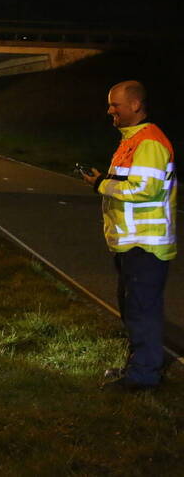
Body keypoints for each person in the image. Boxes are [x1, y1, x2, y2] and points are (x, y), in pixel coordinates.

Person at [82, 80, 176, 391]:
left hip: (145, 245)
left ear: (135, 105)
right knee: (133, 308)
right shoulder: (131, 140)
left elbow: (143, 189)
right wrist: (103, 180)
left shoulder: (148, 142)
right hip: (131, 244)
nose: (110, 110)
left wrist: (101, 186)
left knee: (141, 311)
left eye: (115, 105)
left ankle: (144, 375)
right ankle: (141, 364)